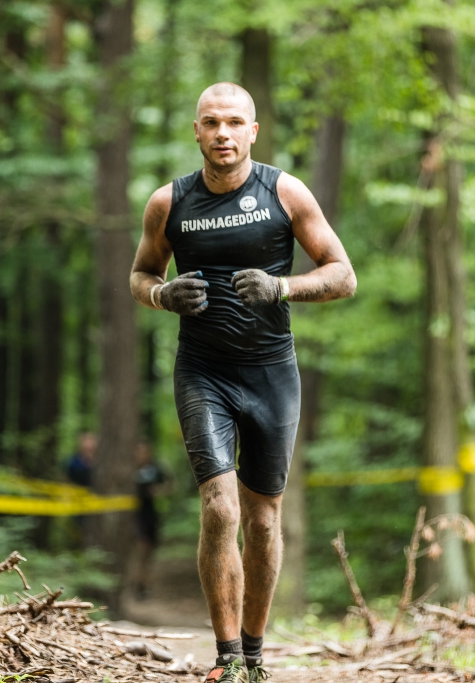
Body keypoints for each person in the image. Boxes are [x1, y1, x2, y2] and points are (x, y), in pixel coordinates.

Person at [130, 82, 356, 683]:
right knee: (220, 509)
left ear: (253, 131)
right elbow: (141, 274)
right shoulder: (168, 203)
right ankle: (228, 658)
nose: (222, 133)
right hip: (203, 372)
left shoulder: (284, 192)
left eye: (234, 122)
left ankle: (255, 656)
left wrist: (282, 286)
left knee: (262, 519)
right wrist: (162, 295)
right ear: (196, 131)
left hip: (271, 373)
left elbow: (343, 275)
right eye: (211, 122)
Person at [133, 442, 169, 600]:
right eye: (139, 451)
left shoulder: (155, 468)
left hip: (150, 514)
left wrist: (159, 491)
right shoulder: (128, 469)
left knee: (148, 552)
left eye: (144, 451)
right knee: (141, 548)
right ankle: (137, 583)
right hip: (134, 515)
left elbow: (169, 484)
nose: (142, 455)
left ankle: (143, 584)